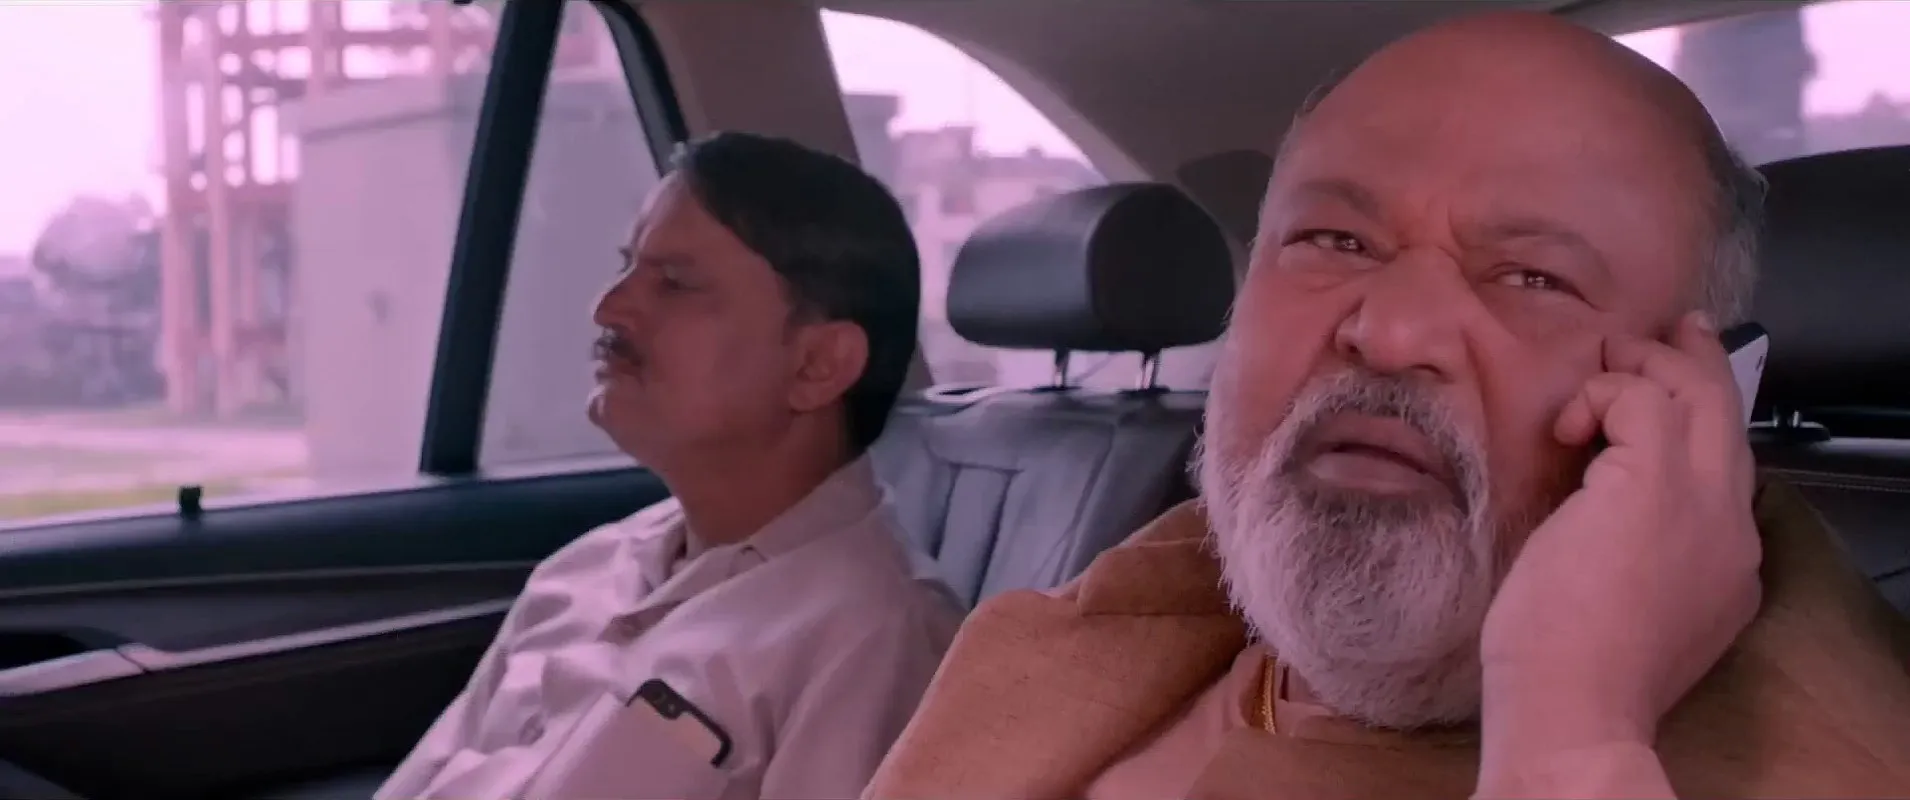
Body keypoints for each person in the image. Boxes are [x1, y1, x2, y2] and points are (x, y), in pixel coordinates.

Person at [863, 12, 1910, 800]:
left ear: (1705, 401)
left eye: (1533, 277)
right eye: (1334, 240)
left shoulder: (1822, 761)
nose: (1392, 330)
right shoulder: (1071, 640)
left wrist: (1573, 737)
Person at [377, 131, 963, 800]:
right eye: (628, 266)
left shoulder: (876, 637)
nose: (607, 307)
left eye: (675, 284)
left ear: (817, 365)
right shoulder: (585, 568)